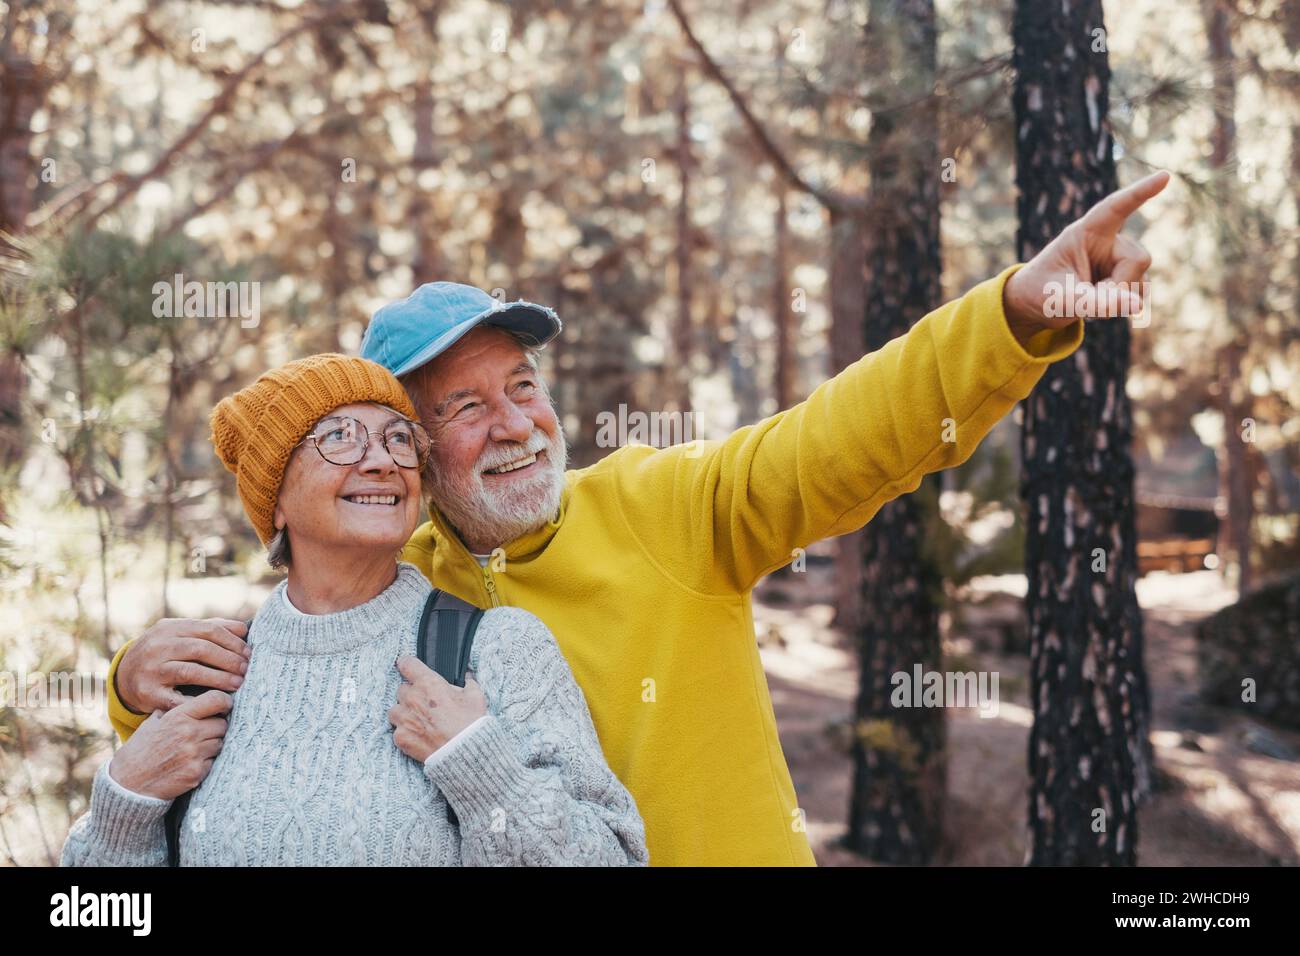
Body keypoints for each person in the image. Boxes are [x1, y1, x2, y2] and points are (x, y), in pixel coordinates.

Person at [102, 171, 1170, 865]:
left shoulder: (666, 505)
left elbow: (850, 433)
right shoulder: (393, 579)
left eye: (521, 384)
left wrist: (1014, 315)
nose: (516, 423)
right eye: (465, 406)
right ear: (413, 451)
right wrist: (129, 686)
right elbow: (269, 736)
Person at [62, 354, 648, 866]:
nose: (382, 461)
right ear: (276, 500)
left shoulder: (496, 649)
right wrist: (123, 804)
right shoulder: (211, 675)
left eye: (399, 439)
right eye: (339, 437)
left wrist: (483, 770)